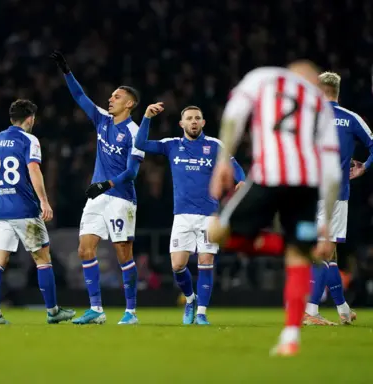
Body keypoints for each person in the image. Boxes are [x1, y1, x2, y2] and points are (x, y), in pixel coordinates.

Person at [206, 61, 342, 356]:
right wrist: (326, 224)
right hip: (306, 185)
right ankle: (290, 336)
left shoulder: (263, 77)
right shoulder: (319, 102)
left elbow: (233, 115)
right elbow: (332, 170)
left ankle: (291, 334)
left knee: (215, 231)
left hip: (268, 176)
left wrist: (222, 161)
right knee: (298, 256)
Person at [50, 51, 144, 325]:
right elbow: (80, 97)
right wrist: (67, 71)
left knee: (123, 254)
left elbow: (132, 172)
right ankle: (96, 310)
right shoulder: (102, 119)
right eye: (111, 96)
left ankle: (131, 312)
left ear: (130, 103)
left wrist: (106, 184)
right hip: (97, 197)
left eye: (116, 97)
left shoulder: (135, 132)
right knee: (84, 249)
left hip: (120, 199)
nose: (110, 99)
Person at [135, 104, 246, 325]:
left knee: (206, 260)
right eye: (189, 118)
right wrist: (147, 117)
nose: (194, 121)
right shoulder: (172, 145)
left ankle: (202, 313)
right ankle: (190, 299)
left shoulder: (215, 145)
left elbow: (235, 166)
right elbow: (140, 144)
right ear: (182, 124)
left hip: (209, 215)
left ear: (203, 122)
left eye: (197, 118)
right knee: (177, 265)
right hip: (182, 216)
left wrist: (241, 179)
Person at [0, 99, 75, 324]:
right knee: (42, 259)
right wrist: (44, 201)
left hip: (0, 210)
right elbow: (34, 169)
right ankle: (53, 312)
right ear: (30, 118)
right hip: (25, 209)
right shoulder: (29, 139)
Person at [304, 72, 372, 325]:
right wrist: (364, 166)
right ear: (338, 91)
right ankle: (310, 311)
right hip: (336, 195)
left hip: (309, 192)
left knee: (327, 253)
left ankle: (343, 309)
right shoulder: (350, 118)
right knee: (324, 251)